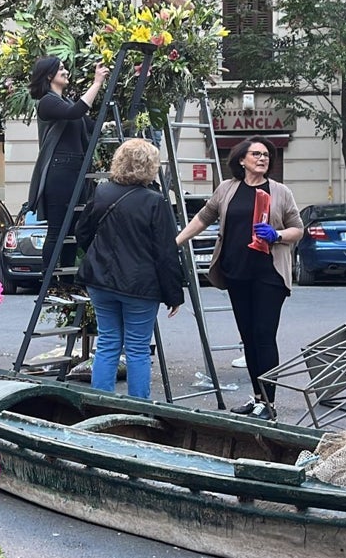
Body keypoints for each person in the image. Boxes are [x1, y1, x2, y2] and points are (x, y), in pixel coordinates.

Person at [175, 136, 304, 419]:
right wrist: (176, 241)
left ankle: (268, 405)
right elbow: (203, 218)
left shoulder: (280, 192)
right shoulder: (227, 189)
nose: (262, 158)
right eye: (256, 154)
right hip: (237, 273)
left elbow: (298, 228)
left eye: (267, 155)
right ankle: (256, 397)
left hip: (269, 275)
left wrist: (278, 235)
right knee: (247, 338)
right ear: (241, 160)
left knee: (263, 336)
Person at [74, 139, 183, 399]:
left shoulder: (102, 193)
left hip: (101, 281)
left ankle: (99, 403)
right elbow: (165, 253)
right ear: (150, 166)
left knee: (107, 344)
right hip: (140, 285)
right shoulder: (155, 201)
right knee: (137, 349)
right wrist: (174, 294)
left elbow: (82, 233)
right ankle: (138, 408)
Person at [26, 56, 110, 273]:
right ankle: (49, 282)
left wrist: (112, 125)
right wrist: (97, 83)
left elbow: (90, 126)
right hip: (60, 171)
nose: (65, 71)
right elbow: (76, 113)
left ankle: (66, 283)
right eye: (61, 69)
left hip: (76, 170)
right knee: (58, 230)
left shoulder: (66, 103)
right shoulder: (47, 101)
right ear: (48, 75)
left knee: (73, 231)